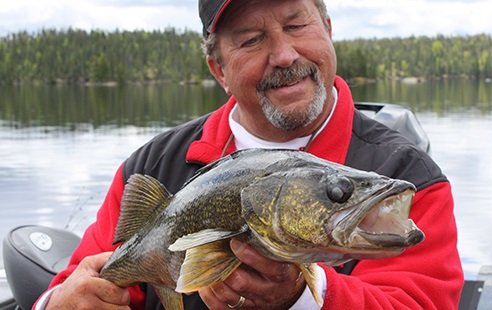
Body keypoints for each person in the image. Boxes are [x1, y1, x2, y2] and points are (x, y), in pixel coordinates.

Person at [35, 0, 464, 309]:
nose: (283, 55)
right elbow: (79, 281)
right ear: (219, 69)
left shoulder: (407, 177)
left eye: (296, 25)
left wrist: (302, 297)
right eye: (252, 40)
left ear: (328, 29)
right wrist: (58, 303)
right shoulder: (151, 166)